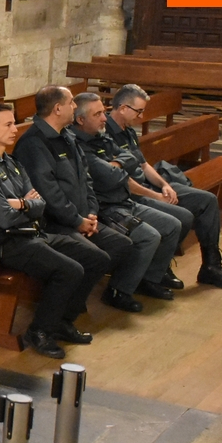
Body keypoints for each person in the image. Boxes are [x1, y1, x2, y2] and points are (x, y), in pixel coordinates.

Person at [0, 104, 111, 359]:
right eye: (8, 124)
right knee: (70, 270)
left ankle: (62, 322)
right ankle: (40, 331)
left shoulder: (11, 162)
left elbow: (40, 203)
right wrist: (27, 204)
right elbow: (3, 217)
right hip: (7, 244)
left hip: (32, 233)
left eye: (14, 123)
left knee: (97, 258)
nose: (15, 129)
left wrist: (22, 203)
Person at [12, 86, 138, 314]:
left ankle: (72, 302)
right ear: (58, 109)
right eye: (71, 102)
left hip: (80, 217)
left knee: (122, 245)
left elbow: (86, 178)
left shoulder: (67, 136)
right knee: (96, 258)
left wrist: (90, 212)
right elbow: (48, 194)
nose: (74, 106)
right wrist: (76, 220)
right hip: (54, 223)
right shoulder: (34, 144)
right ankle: (64, 313)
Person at [105, 84, 222, 291]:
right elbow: (121, 179)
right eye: (139, 111)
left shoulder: (128, 131)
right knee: (181, 216)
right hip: (132, 194)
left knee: (207, 201)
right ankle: (158, 267)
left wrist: (165, 185)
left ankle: (211, 267)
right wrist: (156, 195)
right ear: (123, 108)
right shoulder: (105, 134)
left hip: (147, 185)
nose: (142, 116)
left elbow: (143, 164)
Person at [69, 92, 183, 301]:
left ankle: (148, 279)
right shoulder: (78, 145)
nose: (105, 118)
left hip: (124, 200)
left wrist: (117, 164)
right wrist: (118, 166)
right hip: (107, 208)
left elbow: (130, 158)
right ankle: (118, 291)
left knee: (173, 225)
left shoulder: (100, 135)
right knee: (149, 236)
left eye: (104, 112)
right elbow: (109, 177)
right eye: (98, 114)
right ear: (80, 120)